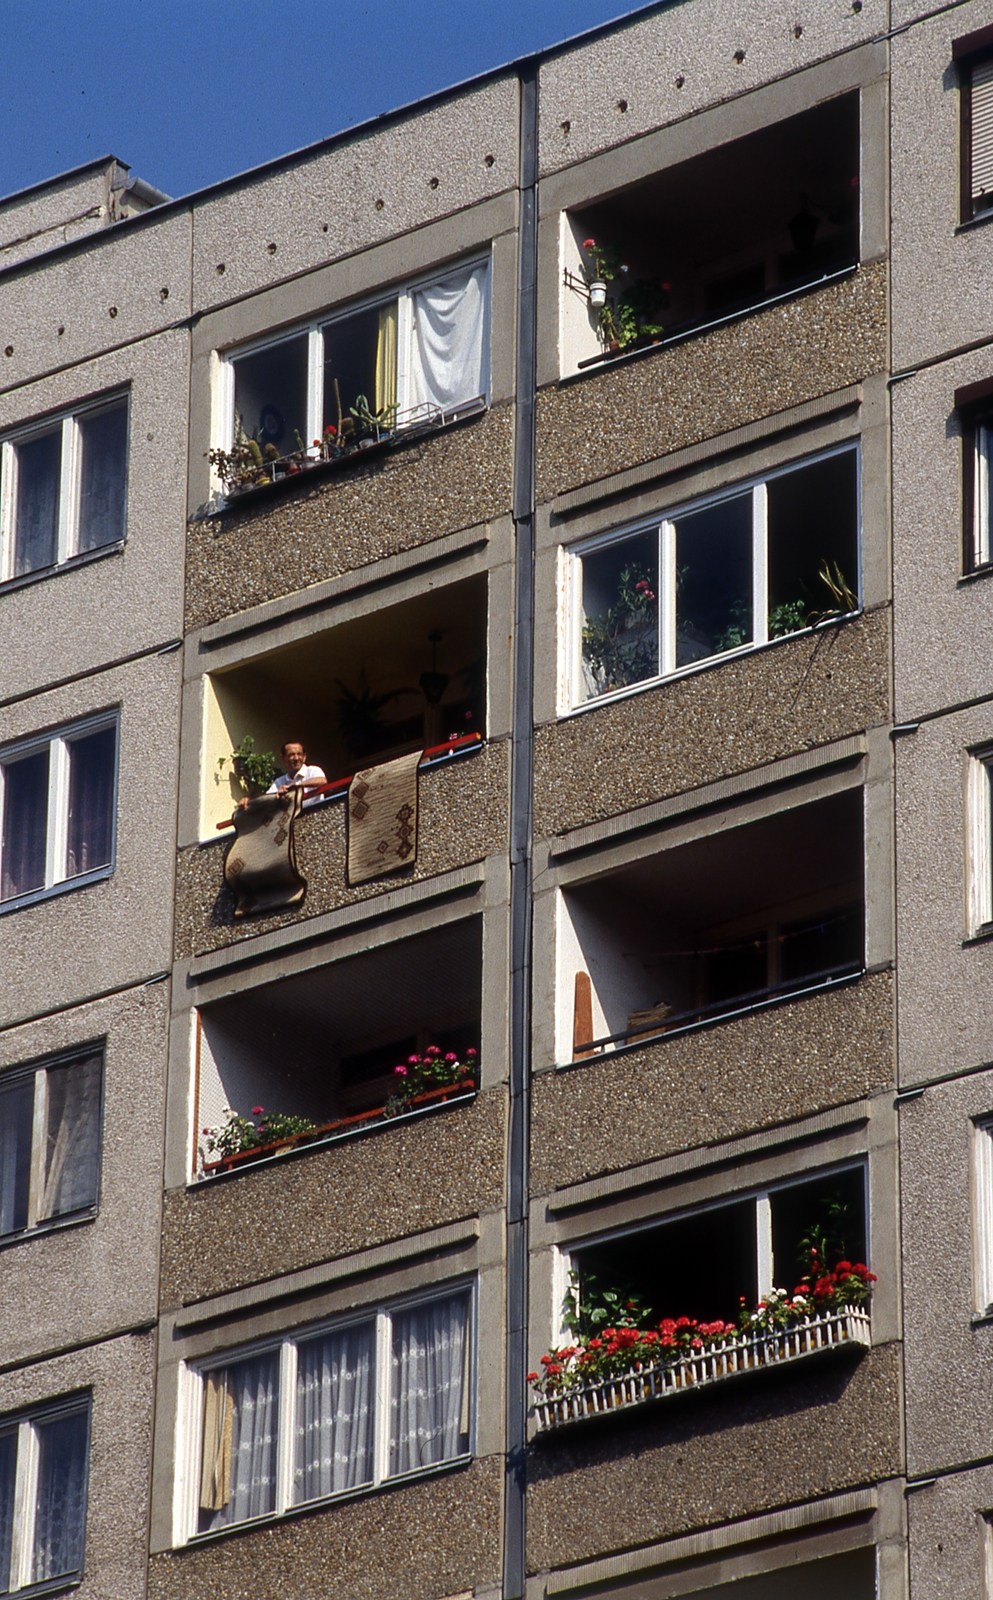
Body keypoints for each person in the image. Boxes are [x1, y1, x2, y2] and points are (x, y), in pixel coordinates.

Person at [236, 742, 326, 810]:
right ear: (283, 759)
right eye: (291, 755)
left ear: (304, 756)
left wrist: (296, 786)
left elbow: (322, 781)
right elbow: (267, 798)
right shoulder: (280, 782)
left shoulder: (313, 770)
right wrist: (249, 802)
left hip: (315, 815)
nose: (296, 758)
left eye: (299, 754)